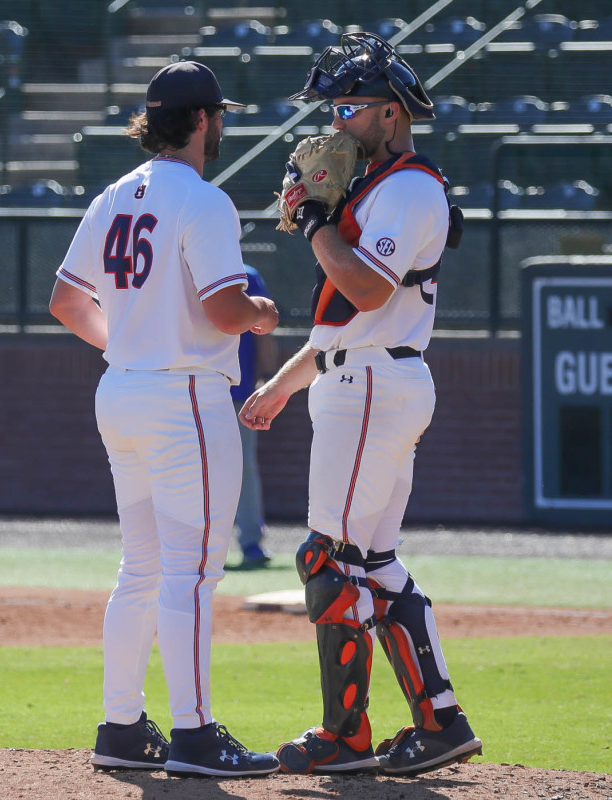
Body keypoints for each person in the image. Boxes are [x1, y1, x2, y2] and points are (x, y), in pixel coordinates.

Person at [238, 32, 482, 776]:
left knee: (325, 556)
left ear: (391, 113)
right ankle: (441, 722)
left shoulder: (408, 185)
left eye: (350, 106)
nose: (336, 121)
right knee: (372, 563)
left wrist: (314, 224)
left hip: (372, 386)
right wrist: (283, 385)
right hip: (367, 375)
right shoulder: (385, 187)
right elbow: (355, 320)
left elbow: (367, 291)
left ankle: (345, 736)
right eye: (334, 105)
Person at [49, 60, 280, 778]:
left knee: (141, 568)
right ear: (207, 120)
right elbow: (222, 309)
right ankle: (196, 734)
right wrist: (263, 315)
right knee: (193, 570)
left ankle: (121, 726)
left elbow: (65, 300)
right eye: (220, 116)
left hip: (120, 390)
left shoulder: (114, 194)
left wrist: (126, 343)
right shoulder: (204, 200)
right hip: (183, 398)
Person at [232, 264, 278, 569]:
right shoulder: (180, 266)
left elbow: (263, 333)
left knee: (242, 467)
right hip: (187, 387)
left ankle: (250, 543)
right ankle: (189, 546)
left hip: (238, 389)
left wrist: (268, 378)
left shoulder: (246, 274)